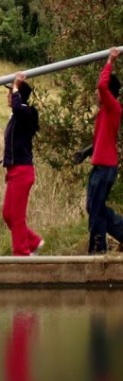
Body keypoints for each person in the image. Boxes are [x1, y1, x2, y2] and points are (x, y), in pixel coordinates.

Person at [85, 48, 123, 254]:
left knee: (96, 209)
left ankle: (99, 250)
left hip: (106, 168)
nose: (97, 94)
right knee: (93, 208)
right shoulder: (105, 112)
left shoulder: (113, 107)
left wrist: (110, 60)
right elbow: (102, 139)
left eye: (101, 93)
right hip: (99, 166)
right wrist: (86, 152)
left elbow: (102, 84)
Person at [2, 72, 43, 256]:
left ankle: (21, 253)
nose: (8, 95)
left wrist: (17, 86)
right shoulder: (16, 116)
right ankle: (33, 241)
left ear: (18, 95)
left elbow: (19, 108)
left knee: (17, 216)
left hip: (23, 171)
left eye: (11, 92)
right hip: (14, 170)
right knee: (8, 214)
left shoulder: (26, 112)